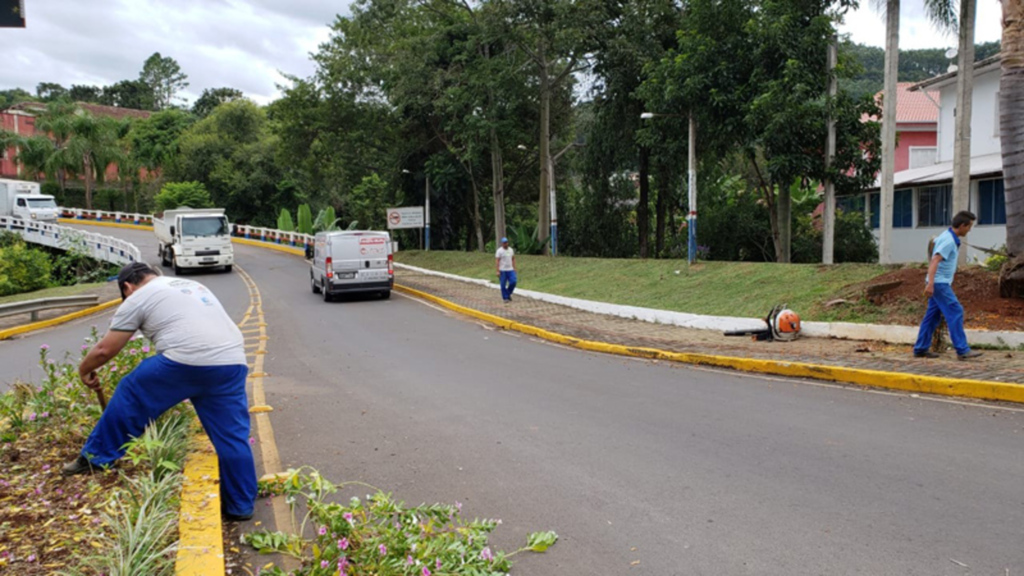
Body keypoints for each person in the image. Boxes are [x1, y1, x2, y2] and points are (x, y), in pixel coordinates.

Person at [62, 262, 257, 521]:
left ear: (127, 287)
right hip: (231, 362)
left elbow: (104, 350)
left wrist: (84, 369)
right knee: (232, 436)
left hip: (184, 360)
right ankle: (241, 506)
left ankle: (96, 458)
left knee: (131, 393)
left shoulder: (137, 297)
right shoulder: (189, 285)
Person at [912, 210, 983, 361]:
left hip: (939, 282)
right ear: (962, 225)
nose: (970, 229)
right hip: (939, 283)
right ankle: (962, 350)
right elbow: (935, 260)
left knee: (932, 317)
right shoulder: (948, 240)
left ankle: (920, 348)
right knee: (956, 310)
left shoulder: (949, 237)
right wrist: (930, 284)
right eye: (969, 226)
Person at [495, 236, 517, 303]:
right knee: (503, 284)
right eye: (504, 243)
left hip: (510, 269)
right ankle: (505, 298)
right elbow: (497, 261)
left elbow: (513, 259)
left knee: (513, 281)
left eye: (506, 242)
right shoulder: (499, 251)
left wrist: (514, 267)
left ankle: (508, 293)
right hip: (503, 270)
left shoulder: (511, 250)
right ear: (502, 244)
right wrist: (498, 270)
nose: (505, 244)